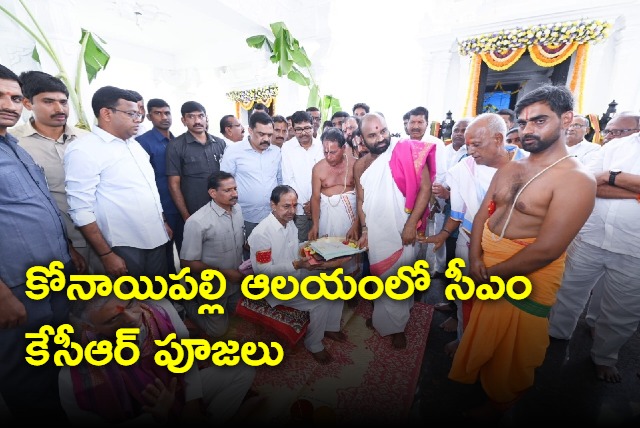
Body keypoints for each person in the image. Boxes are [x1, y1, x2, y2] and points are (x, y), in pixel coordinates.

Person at [448, 85, 596, 420]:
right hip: (485, 266)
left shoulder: (577, 180)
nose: (528, 129)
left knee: (512, 359)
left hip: (521, 279)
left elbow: (547, 250)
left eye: (539, 121)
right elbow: (482, 215)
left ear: (566, 119)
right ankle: (490, 394)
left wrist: (488, 274)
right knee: (485, 343)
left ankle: (502, 405)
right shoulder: (511, 167)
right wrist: (475, 260)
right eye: (524, 122)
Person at [0, 64, 82, 424]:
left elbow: (41, 206)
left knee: (58, 356)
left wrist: (69, 249)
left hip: (52, 274)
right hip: (15, 287)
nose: (10, 104)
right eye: (1, 96)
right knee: (26, 373)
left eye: (15, 97)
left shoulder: (12, 146)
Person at [59, 295, 257, 425]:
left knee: (243, 369)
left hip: (178, 391)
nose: (133, 318)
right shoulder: (75, 376)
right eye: (113, 319)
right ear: (90, 328)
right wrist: (157, 416)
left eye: (129, 304)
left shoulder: (160, 310)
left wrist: (192, 403)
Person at [423, 114, 527, 356]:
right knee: (465, 295)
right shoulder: (463, 169)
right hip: (468, 239)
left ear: (499, 139)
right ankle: (465, 339)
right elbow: (458, 211)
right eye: (467, 144)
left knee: (501, 303)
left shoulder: (530, 166)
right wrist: (443, 234)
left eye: (476, 144)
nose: (470, 150)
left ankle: (496, 349)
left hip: (511, 247)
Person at [548, 129, 640, 383]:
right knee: (568, 289)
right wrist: (635, 189)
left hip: (635, 248)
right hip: (592, 236)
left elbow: (601, 181)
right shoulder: (615, 146)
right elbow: (589, 184)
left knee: (623, 309)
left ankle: (604, 357)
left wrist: (612, 177)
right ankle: (557, 334)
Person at [64, 86, 171, 279]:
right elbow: (80, 210)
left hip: (156, 236)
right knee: (132, 303)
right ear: (106, 113)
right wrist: (106, 254)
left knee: (157, 296)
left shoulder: (135, 145)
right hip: (124, 243)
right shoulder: (84, 150)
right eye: (131, 114)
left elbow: (149, 190)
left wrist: (162, 222)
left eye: (138, 114)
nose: (138, 119)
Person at [355, 113, 436, 349]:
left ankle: (398, 326)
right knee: (381, 279)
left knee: (401, 279)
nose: (381, 138)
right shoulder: (361, 165)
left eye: (383, 131)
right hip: (377, 233)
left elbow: (425, 187)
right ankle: (385, 320)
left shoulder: (406, 150)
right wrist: (365, 229)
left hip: (403, 229)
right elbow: (361, 201)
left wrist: (411, 224)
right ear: (362, 138)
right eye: (372, 135)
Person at [249, 185, 347, 364]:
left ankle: (330, 326)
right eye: (286, 206)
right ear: (273, 205)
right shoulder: (261, 234)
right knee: (320, 302)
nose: (292, 211)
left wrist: (314, 243)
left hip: (296, 274)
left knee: (336, 280)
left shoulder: (288, 224)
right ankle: (314, 344)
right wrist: (297, 264)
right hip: (277, 287)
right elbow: (262, 271)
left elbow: (294, 247)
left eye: (294, 206)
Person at [11, 71, 92, 269]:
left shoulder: (87, 139)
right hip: (52, 245)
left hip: (101, 236)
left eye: (63, 102)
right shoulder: (13, 143)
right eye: (48, 101)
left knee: (116, 293)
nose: (59, 109)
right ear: (27, 104)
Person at [180, 171, 245, 338]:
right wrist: (223, 273)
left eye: (235, 189)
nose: (235, 194)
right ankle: (187, 302)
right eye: (228, 190)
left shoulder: (237, 209)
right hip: (213, 285)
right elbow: (187, 262)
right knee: (218, 331)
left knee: (242, 314)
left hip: (236, 281)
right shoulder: (197, 222)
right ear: (212, 193)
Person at [220, 111, 282, 242]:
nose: (266, 139)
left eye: (269, 135)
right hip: (245, 216)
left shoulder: (276, 152)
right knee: (249, 256)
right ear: (250, 130)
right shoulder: (233, 151)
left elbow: (280, 180)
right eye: (261, 134)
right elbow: (224, 183)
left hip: (272, 215)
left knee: (274, 252)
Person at [136, 99, 182, 275]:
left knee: (186, 251)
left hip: (181, 205)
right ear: (149, 116)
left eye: (167, 113)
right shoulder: (142, 143)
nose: (164, 117)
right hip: (161, 207)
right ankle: (170, 297)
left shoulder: (178, 141)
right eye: (158, 113)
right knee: (164, 257)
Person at [167, 101, 226, 221]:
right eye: (191, 117)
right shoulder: (175, 146)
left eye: (200, 116)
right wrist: (186, 216)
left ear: (206, 118)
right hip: (195, 212)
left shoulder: (220, 143)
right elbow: (174, 185)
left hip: (222, 208)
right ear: (183, 120)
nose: (197, 121)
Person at [281, 111, 324, 242]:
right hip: (299, 209)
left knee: (322, 243)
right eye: (298, 129)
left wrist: (314, 202)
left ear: (313, 126)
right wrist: (306, 204)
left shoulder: (321, 146)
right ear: (292, 129)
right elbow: (288, 180)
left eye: (307, 128)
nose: (303, 133)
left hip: (322, 207)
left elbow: (325, 178)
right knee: (301, 245)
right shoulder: (287, 148)